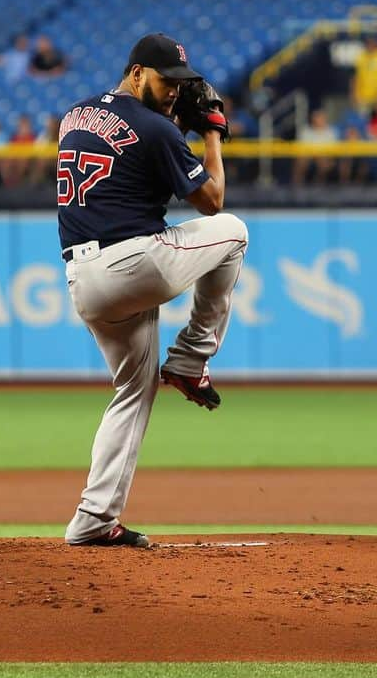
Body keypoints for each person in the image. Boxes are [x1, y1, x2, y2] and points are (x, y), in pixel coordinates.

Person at [58, 33, 245, 548]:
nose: (173, 92)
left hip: (83, 279)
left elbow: (133, 164)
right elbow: (211, 199)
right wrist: (209, 135)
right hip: (130, 263)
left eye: (180, 85)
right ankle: (191, 358)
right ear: (137, 72)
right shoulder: (156, 127)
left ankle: (94, 518)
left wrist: (174, 124)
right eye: (167, 81)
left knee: (133, 392)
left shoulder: (74, 115)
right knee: (232, 232)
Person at [351, 35, 377, 110]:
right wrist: (354, 95)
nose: (371, 44)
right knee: (364, 120)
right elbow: (355, 78)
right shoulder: (361, 56)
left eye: (374, 42)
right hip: (363, 98)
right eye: (369, 42)